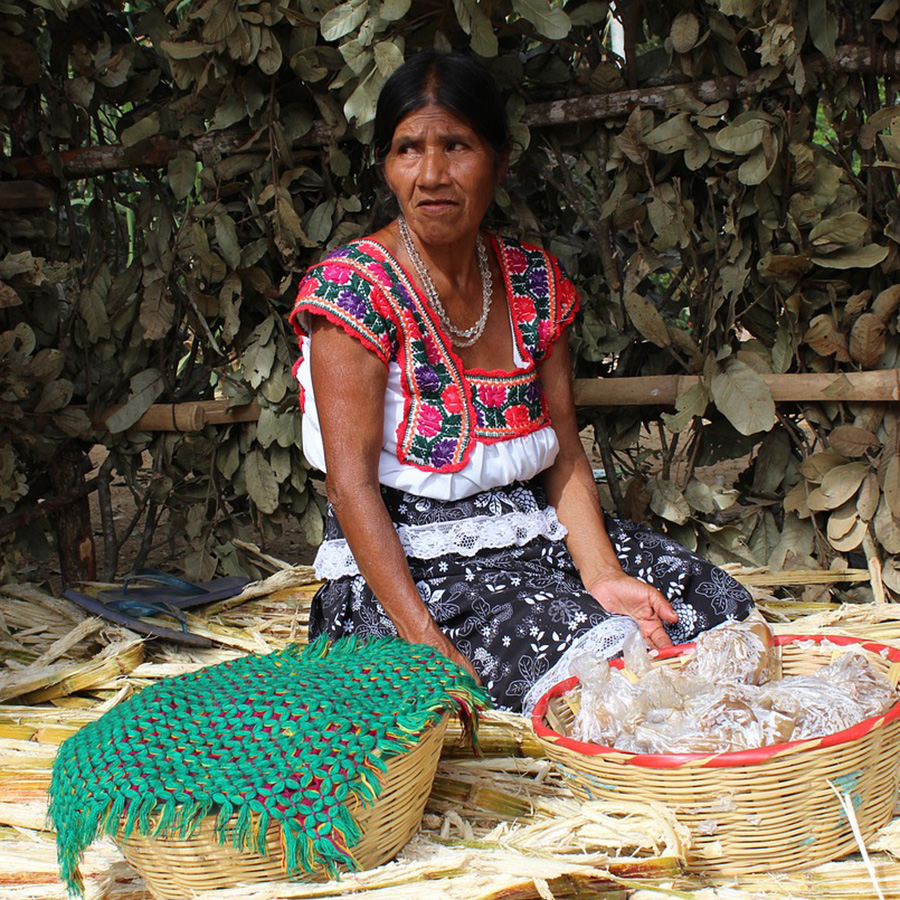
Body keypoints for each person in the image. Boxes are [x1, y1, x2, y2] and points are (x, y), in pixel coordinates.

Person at [288, 50, 754, 714]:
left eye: (457, 145)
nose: (431, 175)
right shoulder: (354, 291)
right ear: (387, 167)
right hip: (411, 574)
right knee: (608, 664)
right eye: (408, 149)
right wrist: (424, 642)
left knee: (708, 606)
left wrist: (603, 575)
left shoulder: (534, 284)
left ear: (499, 162)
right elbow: (350, 486)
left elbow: (563, 453)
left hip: (536, 534)